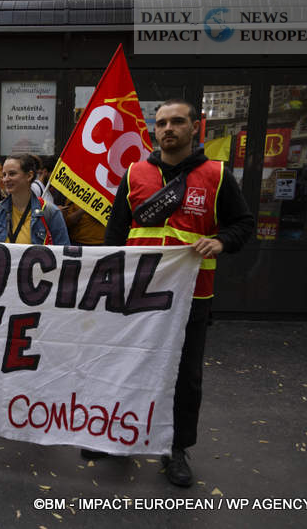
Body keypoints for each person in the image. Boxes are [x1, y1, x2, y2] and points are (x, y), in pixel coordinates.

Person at [102, 99, 254, 487]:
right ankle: (120, 436)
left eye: (177, 122)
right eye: (162, 122)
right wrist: (108, 285)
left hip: (192, 297)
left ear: (194, 127)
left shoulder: (217, 175)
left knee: (185, 377)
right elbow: (116, 234)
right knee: (128, 366)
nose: (169, 128)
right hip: (138, 295)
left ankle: (176, 449)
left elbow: (243, 224)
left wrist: (222, 241)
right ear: (155, 130)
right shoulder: (134, 173)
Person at [0, 154, 69, 246]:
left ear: (29, 176)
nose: (6, 179)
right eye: (4, 174)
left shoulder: (50, 212)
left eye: (12, 174)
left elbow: (63, 254)